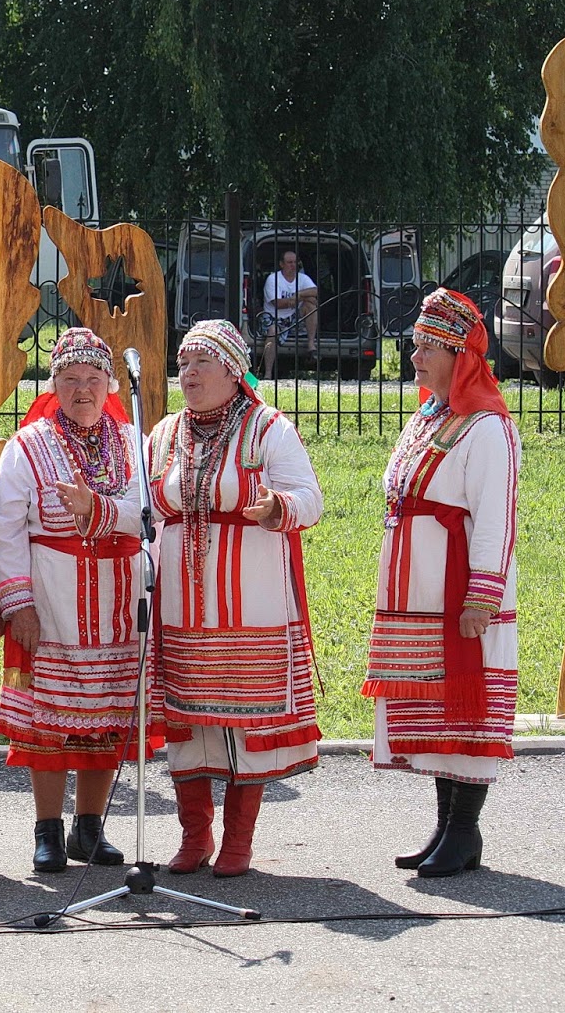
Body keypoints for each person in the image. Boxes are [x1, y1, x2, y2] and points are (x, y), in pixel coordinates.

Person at [150, 319, 323, 878]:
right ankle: (194, 836)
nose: (189, 373)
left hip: (250, 602)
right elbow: (143, 507)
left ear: (232, 370)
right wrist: (95, 509)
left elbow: (309, 498)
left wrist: (277, 508)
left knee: (244, 723)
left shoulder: (267, 427)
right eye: (183, 363)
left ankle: (238, 843)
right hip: (179, 605)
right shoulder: (164, 433)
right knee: (188, 723)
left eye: (202, 363)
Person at [362, 289, 519, 878]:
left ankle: (465, 830)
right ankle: (444, 826)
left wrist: (483, 596)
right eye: (415, 344)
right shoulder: (430, 417)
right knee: (433, 704)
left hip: (458, 591)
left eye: (430, 346)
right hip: (418, 589)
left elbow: (496, 516)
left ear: (461, 355)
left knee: (465, 703)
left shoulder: (488, 428)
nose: (416, 356)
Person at [0, 329, 143, 871]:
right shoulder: (26, 445)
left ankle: (90, 828)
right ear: (53, 383)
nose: (83, 389)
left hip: (118, 601)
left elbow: (146, 514)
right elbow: (4, 530)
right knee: (48, 719)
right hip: (51, 600)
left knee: (106, 715)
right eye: (71, 379)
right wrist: (17, 604)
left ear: (110, 386)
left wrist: (98, 509)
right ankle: (48, 830)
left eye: (93, 380)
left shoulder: (131, 442)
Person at [262, 250, 319, 377]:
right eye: (289, 262)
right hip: (274, 318)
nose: (293, 266)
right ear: (281, 264)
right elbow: (278, 303)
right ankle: (268, 373)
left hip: (293, 318)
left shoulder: (302, 278)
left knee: (311, 303)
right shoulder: (273, 279)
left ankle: (311, 344)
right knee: (272, 332)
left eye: (295, 262)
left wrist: (299, 295)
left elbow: (316, 292)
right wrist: (297, 299)